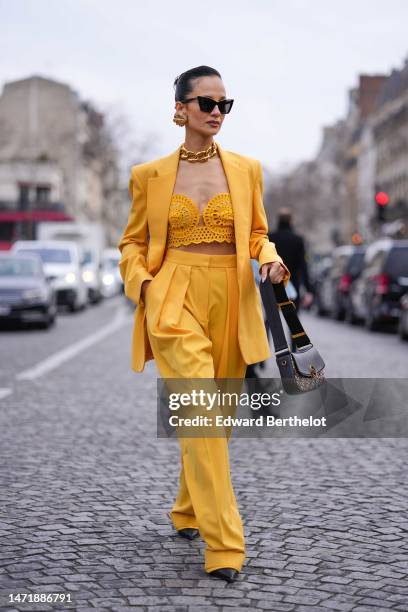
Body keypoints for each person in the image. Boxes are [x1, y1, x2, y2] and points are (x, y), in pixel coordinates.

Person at [117, 66, 291, 583]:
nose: (217, 112)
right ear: (181, 109)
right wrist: (143, 286)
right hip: (172, 293)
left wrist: (271, 258)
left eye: (224, 104)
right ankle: (225, 545)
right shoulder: (148, 175)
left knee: (217, 417)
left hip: (233, 297)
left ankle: (187, 510)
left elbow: (258, 233)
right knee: (200, 412)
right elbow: (130, 242)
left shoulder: (247, 169)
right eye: (207, 103)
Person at [268, 208, 313, 352]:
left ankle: (262, 356)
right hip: (292, 284)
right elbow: (303, 266)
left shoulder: (270, 237)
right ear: (291, 221)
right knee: (293, 319)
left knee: (269, 319)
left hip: (272, 284)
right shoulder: (298, 240)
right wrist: (309, 289)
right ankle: (294, 350)